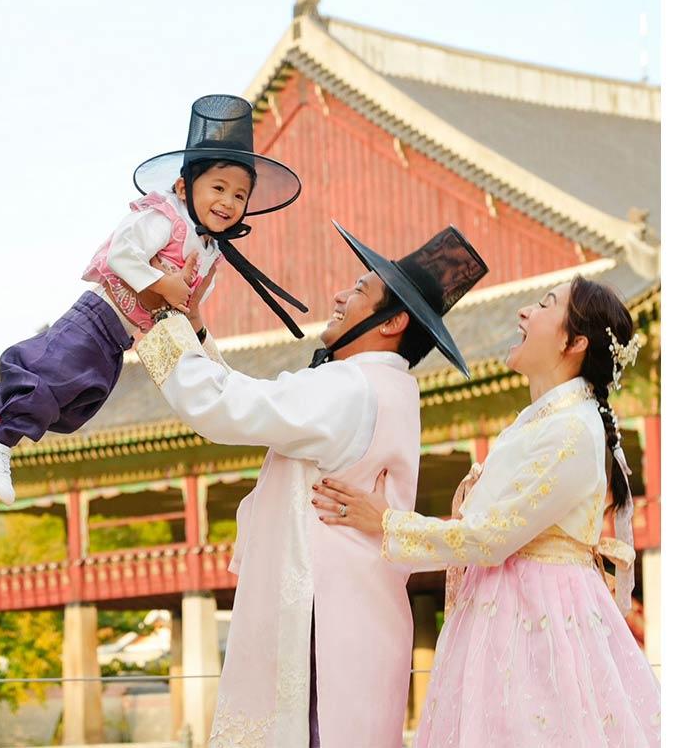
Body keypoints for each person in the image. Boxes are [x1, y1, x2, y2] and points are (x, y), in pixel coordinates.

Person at [135, 222, 487, 747]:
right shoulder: (386, 385)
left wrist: (158, 321)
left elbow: (228, 407)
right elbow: (262, 401)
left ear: (392, 323)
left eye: (360, 290)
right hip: (362, 614)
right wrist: (196, 330)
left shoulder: (348, 386)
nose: (340, 295)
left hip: (319, 613)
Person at [313, 275, 661, 747]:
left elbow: (491, 537)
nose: (524, 313)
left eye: (544, 304)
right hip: (505, 609)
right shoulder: (545, 420)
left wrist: (387, 522)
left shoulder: (573, 430)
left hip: (538, 619)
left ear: (574, 341)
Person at [0, 94, 304, 505]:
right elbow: (121, 252)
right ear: (184, 186)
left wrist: (215, 363)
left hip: (121, 338)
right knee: (55, 381)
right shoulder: (166, 217)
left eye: (238, 195)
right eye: (218, 188)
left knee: (77, 403)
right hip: (97, 316)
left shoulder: (210, 250)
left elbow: (185, 311)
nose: (228, 202)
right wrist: (164, 284)